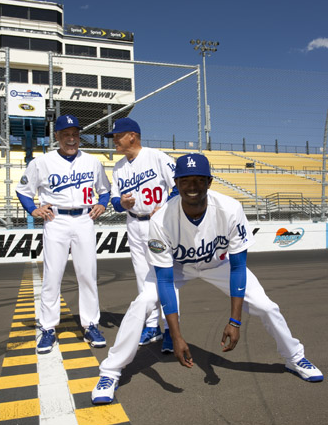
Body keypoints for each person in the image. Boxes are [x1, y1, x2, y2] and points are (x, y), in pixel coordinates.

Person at [91, 152, 323, 404]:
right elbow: (166, 281)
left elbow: (238, 267)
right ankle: (111, 370)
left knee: (266, 306)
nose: (192, 186)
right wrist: (177, 336)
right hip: (177, 267)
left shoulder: (230, 209)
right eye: (185, 180)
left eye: (199, 180)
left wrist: (235, 321)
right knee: (143, 303)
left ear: (209, 182)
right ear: (175, 184)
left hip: (218, 264)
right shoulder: (160, 219)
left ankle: (294, 356)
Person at [16, 114, 111, 354]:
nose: (71, 139)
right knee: (52, 276)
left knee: (87, 274)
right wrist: (33, 209)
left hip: (84, 219)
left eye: (75, 134)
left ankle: (90, 324)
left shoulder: (92, 162)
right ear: (56, 136)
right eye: (66, 134)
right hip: (55, 220)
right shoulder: (42, 162)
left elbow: (105, 191)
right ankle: (48, 328)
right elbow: (24, 190)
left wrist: (102, 203)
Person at [104, 117, 178, 352]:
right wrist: (121, 202)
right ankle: (152, 326)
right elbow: (115, 201)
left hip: (159, 224)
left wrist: (166, 205)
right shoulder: (118, 167)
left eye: (117, 136)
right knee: (142, 278)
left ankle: (171, 330)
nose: (114, 141)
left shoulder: (156, 157)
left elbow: (179, 185)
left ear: (132, 137)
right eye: (113, 137)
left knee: (165, 278)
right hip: (134, 223)